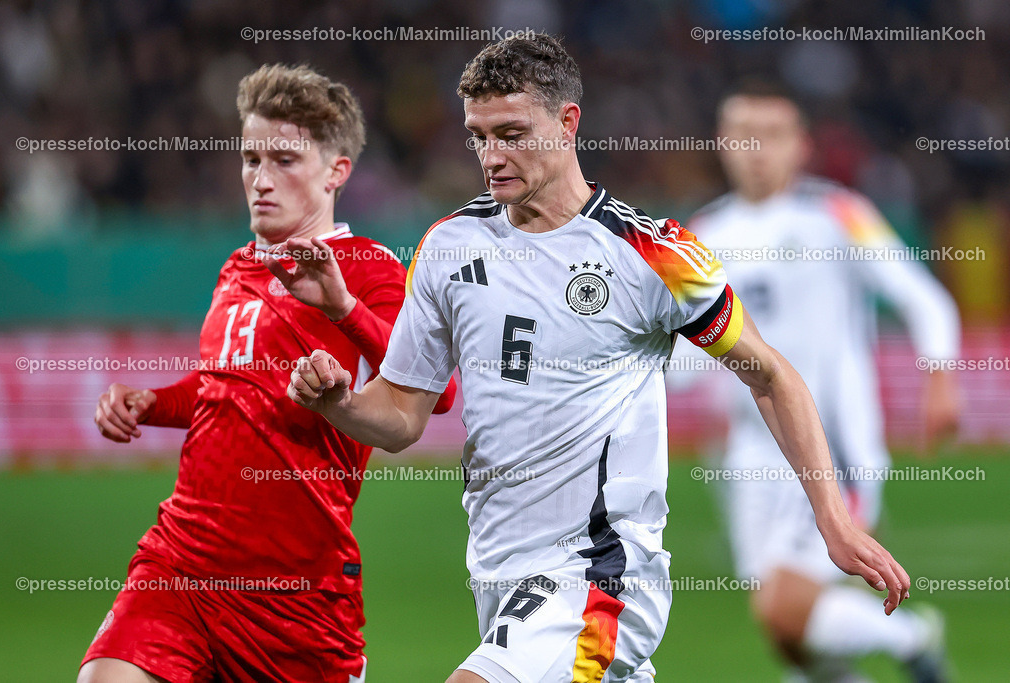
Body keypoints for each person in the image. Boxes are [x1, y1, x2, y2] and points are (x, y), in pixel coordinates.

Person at [274, 36, 910, 683]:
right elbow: (403, 415)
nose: (492, 157)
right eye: (479, 136)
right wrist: (340, 403)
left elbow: (770, 374)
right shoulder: (448, 247)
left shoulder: (650, 254)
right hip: (498, 571)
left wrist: (833, 520)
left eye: (512, 134)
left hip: (602, 572)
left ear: (567, 122)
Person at [79, 63, 455, 683]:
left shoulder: (369, 268)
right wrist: (152, 402)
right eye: (251, 159)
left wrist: (343, 309)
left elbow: (435, 394)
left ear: (337, 171)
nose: (260, 179)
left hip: (296, 593)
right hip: (182, 562)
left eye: (284, 160)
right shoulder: (236, 267)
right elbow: (219, 388)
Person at [676, 79, 959, 682]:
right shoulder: (700, 236)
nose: (758, 150)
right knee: (788, 637)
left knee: (785, 606)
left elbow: (923, 298)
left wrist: (941, 375)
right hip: (750, 458)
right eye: (744, 135)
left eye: (773, 135)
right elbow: (685, 357)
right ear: (722, 144)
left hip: (835, 449)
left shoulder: (838, 215)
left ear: (800, 145)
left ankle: (910, 634)